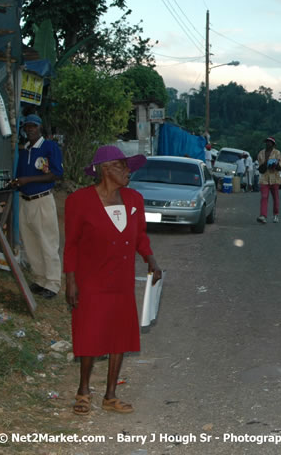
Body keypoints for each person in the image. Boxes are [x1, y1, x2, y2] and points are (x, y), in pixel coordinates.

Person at [64, 145, 161, 416]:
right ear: (106, 169)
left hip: (121, 279)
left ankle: (110, 395)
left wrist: (150, 259)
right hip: (91, 279)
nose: (128, 171)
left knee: (119, 334)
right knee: (89, 332)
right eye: (122, 166)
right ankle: (83, 391)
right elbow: (70, 245)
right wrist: (70, 281)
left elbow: (140, 235)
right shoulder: (79, 201)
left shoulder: (134, 200)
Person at [12, 114, 64, 300]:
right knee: (31, 242)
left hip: (42, 200)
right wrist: (18, 182)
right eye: (27, 127)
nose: (30, 129)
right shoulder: (25, 149)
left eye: (33, 126)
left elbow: (56, 174)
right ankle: (40, 278)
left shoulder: (49, 147)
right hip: (25, 200)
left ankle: (53, 283)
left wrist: (29, 179)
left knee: (47, 242)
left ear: (40, 127)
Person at [257, 137, 281, 223]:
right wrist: (266, 163)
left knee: (275, 197)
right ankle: (263, 216)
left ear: (273, 144)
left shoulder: (277, 153)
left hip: (275, 178)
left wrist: (274, 164)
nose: (268, 144)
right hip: (264, 178)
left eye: (270, 142)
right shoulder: (261, 153)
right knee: (264, 197)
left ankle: (276, 214)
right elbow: (261, 170)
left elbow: (280, 167)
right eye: (267, 142)